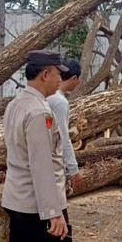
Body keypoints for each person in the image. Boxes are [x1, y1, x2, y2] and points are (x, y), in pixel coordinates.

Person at [2, 50, 73, 242]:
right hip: (40, 208)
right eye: (57, 74)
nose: (59, 80)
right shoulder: (38, 112)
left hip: (17, 201)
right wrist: (54, 213)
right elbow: (42, 166)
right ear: (45, 74)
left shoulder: (16, 104)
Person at [47, 57, 82, 188]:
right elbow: (63, 137)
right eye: (78, 79)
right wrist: (73, 169)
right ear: (73, 78)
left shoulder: (46, 94)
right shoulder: (59, 102)